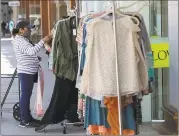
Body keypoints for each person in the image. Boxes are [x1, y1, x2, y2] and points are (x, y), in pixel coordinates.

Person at [12, 20, 52, 128]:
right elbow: (31, 51)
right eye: (27, 28)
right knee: (26, 94)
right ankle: (24, 120)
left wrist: (35, 58)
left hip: (28, 70)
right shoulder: (20, 40)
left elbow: (27, 53)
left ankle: (28, 117)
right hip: (26, 71)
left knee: (27, 94)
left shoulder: (23, 39)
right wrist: (42, 41)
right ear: (20, 30)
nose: (30, 30)